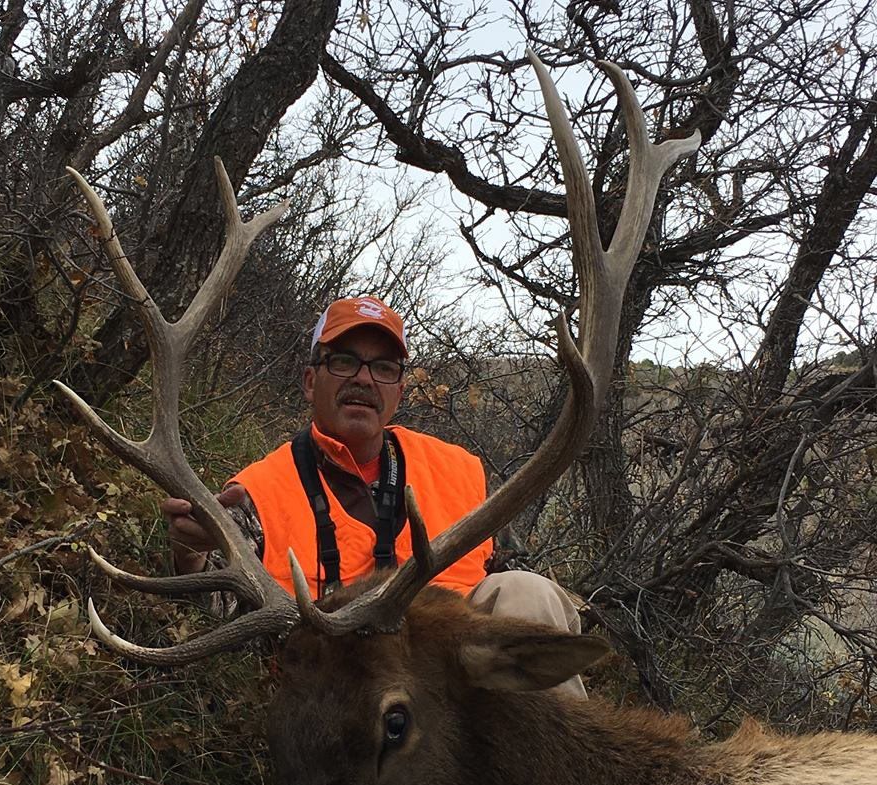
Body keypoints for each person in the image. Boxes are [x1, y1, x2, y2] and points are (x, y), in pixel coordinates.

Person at [162, 295, 586, 698]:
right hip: (336, 690)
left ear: (398, 392)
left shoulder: (456, 472)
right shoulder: (258, 492)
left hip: (448, 680)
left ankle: (558, 749)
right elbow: (216, 610)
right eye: (344, 361)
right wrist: (190, 553)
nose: (363, 378)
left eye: (383, 367)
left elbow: (515, 574)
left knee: (529, 592)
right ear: (310, 381)